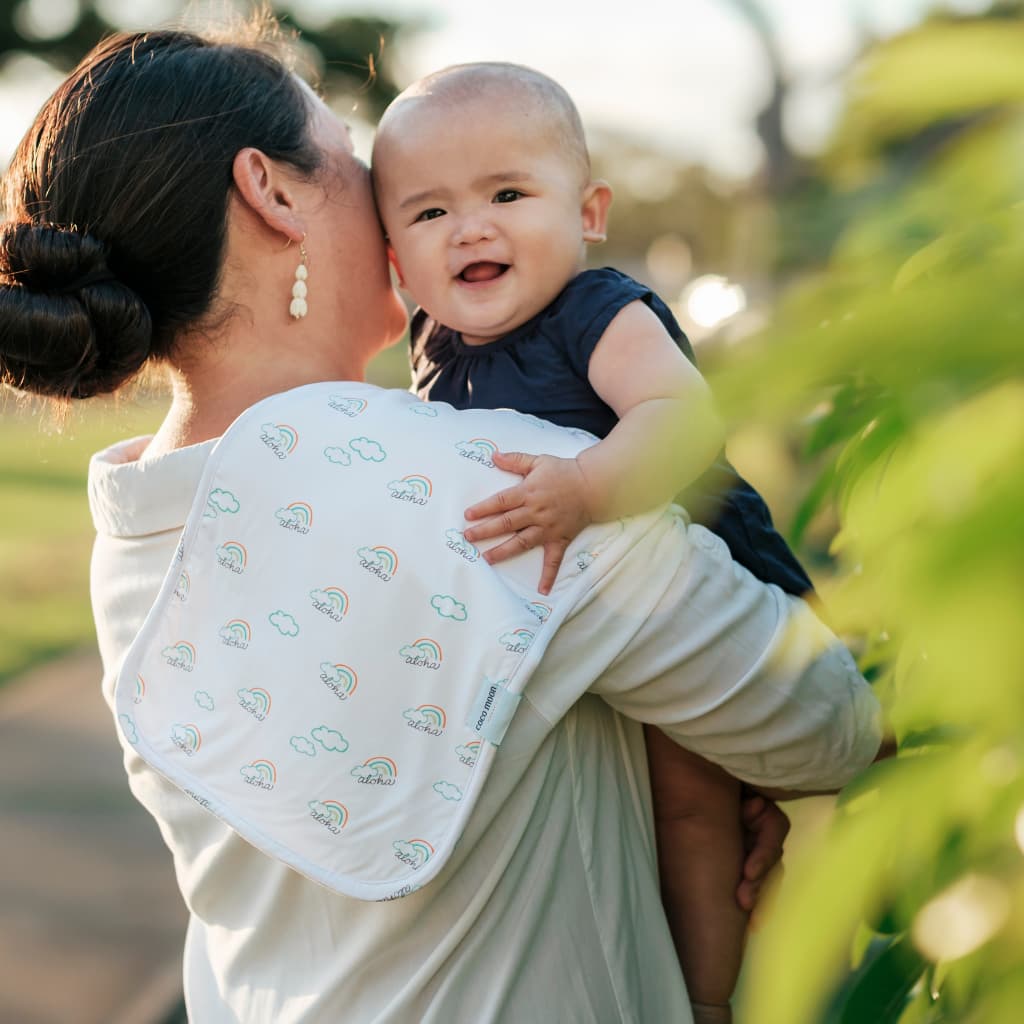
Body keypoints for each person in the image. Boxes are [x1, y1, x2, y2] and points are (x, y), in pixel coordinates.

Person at [0, 25, 883, 1024]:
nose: (388, 191)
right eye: (348, 153)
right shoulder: (504, 479)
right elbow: (828, 721)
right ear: (273, 191)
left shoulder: (136, 531)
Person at [370, 62, 815, 1016]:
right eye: (429, 212)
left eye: (507, 193)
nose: (473, 227)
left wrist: (586, 489)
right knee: (649, 818)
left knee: (688, 804)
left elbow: (681, 417)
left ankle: (706, 1003)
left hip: (704, 572)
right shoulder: (434, 350)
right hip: (583, 633)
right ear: (396, 258)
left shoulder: (595, 310)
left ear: (589, 212)